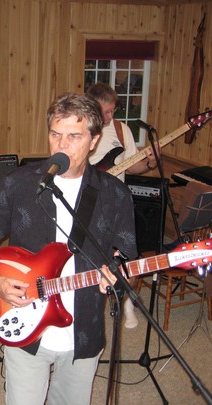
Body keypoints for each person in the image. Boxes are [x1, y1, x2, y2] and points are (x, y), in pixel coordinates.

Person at [0, 93, 138, 405]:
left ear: (94, 141)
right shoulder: (18, 184)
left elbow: (127, 257)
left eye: (74, 136)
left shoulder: (115, 194)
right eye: (55, 134)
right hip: (24, 325)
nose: (62, 145)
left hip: (84, 333)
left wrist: (119, 276)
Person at [86, 82, 159, 329]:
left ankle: (127, 302)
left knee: (127, 254)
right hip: (88, 203)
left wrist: (150, 162)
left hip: (117, 203)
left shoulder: (121, 129)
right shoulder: (81, 128)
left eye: (112, 111)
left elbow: (132, 165)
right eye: (105, 111)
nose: (110, 116)